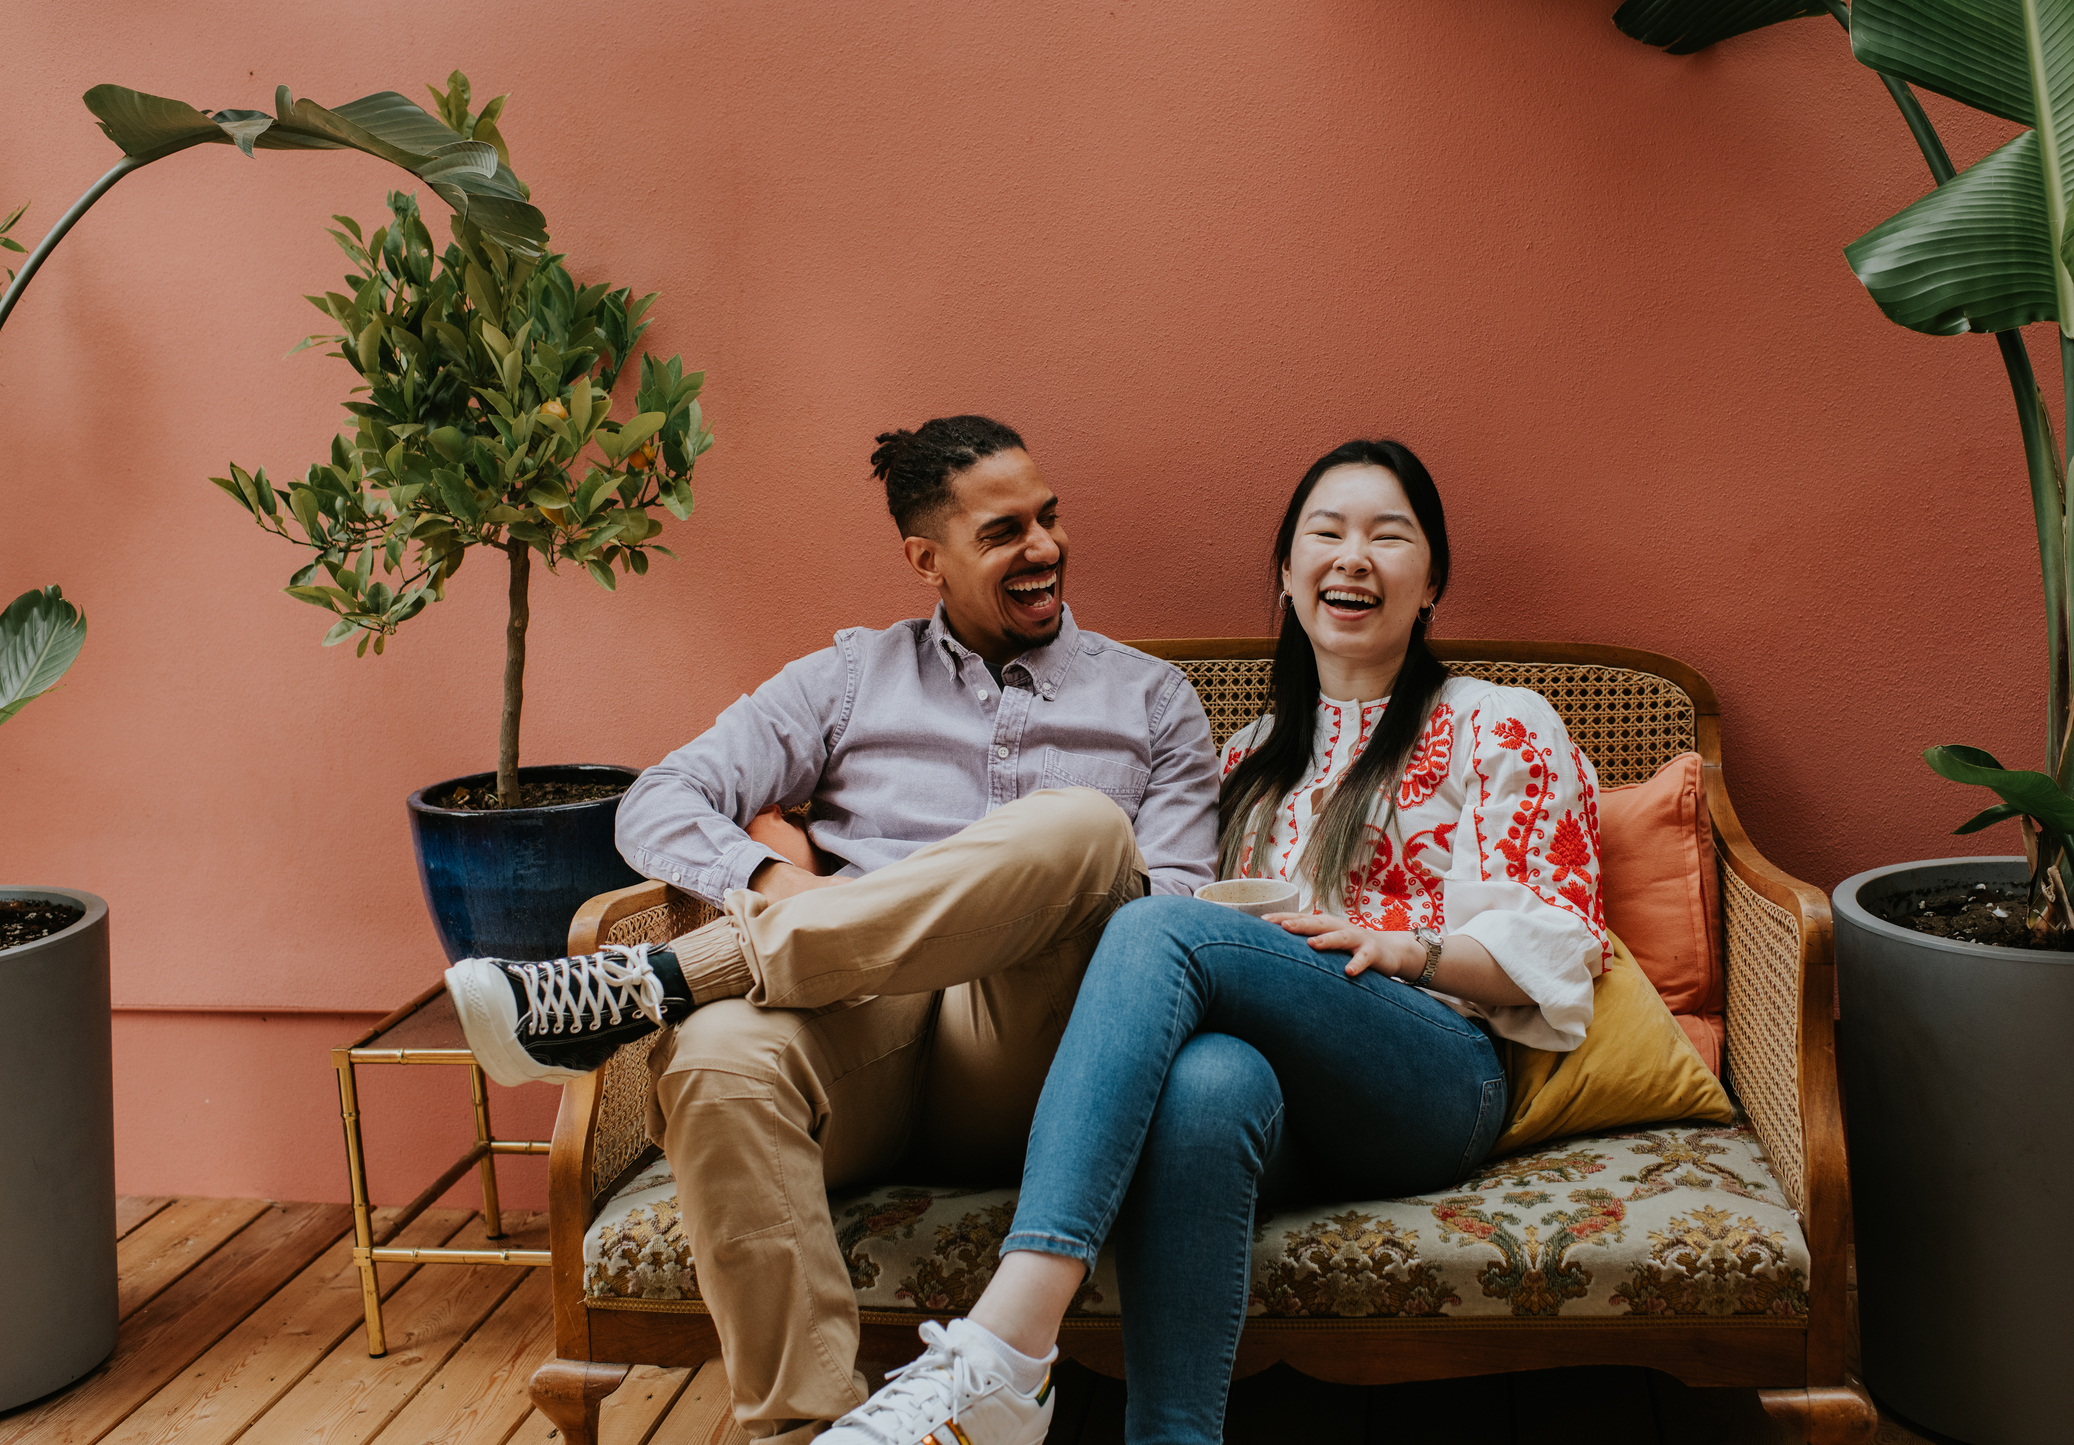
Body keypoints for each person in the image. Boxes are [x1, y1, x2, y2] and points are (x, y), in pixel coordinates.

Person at [443, 413, 1220, 1445]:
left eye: (1048, 517)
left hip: (1046, 1053)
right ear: (925, 558)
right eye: (1002, 532)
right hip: (862, 1029)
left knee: (1078, 826)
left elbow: (1169, 920)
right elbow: (660, 800)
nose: (1043, 548)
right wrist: (775, 878)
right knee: (717, 1052)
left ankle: (664, 979)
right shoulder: (850, 678)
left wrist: (1013, 893)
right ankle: (802, 1430)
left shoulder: (1151, 700)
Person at [822, 438, 1610, 1445]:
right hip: (1280, 1100)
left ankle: (1008, 1343)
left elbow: (1558, 945)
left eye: (1387, 535)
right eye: (1324, 534)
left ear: (1432, 578)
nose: (1352, 557)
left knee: (1160, 927)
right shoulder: (1241, 757)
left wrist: (1402, 946)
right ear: (1286, 575)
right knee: (1206, 1082)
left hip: (1432, 1072)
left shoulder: (1503, 724)